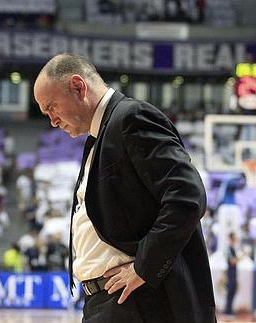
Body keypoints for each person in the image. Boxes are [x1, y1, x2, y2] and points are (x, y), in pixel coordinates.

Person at [33, 53, 216, 322]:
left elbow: (187, 196)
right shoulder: (101, 134)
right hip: (109, 300)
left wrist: (144, 267)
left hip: (136, 300)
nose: (52, 120)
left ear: (78, 87)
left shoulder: (131, 118)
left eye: (52, 107)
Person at [225, 233, 238, 315]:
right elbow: (232, 261)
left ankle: (230, 309)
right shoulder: (229, 249)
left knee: (233, 290)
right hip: (231, 272)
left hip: (234, 272)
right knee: (230, 291)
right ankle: (228, 310)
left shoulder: (233, 248)